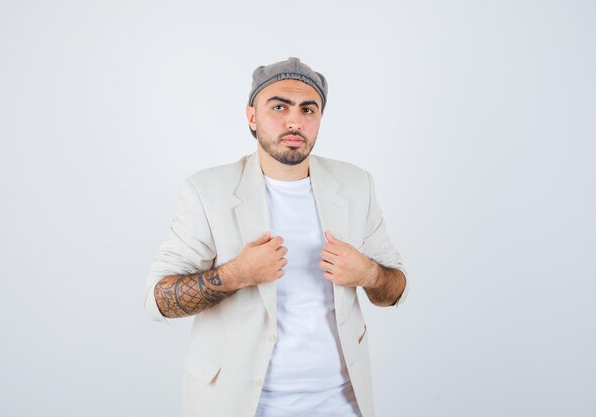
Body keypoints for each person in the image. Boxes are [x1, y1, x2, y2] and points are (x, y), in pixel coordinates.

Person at [144, 57, 408, 417]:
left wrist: (368, 274)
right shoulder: (206, 191)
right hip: (241, 404)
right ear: (252, 116)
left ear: (319, 120)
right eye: (279, 106)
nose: (294, 121)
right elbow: (158, 300)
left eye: (308, 109)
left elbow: (396, 289)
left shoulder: (355, 184)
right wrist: (236, 274)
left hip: (341, 404)